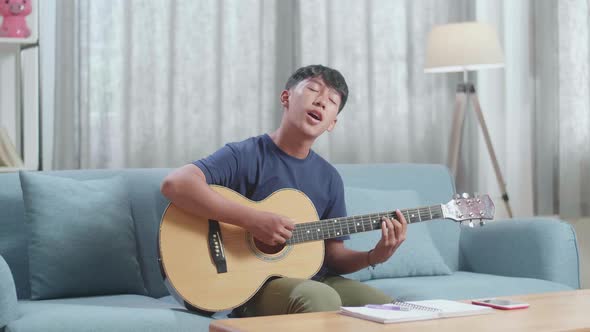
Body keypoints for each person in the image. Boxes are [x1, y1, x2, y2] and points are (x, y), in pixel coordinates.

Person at [160, 64, 408, 317]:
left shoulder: (329, 178)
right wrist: (252, 220)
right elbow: (176, 184)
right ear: (286, 98)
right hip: (249, 287)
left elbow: (333, 256)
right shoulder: (246, 154)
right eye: (313, 90)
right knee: (319, 297)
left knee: (390, 310)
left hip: (312, 279)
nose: (321, 102)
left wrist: (374, 256)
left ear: (332, 123)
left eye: (332, 101)